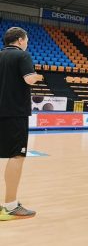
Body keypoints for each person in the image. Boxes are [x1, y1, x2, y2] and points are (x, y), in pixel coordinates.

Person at [0, 27, 44, 221]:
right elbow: (29, 79)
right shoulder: (22, 56)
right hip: (14, 114)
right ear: (19, 40)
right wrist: (39, 76)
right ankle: (10, 206)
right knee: (17, 156)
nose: (27, 43)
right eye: (26, 40)